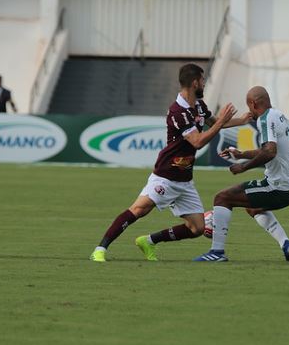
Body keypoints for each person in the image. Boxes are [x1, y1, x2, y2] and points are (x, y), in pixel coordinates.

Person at [89, 63, 249, 262]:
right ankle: (100, 249)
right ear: (194, 83)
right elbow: (198, 142)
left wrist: (242, 120)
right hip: (166, 175)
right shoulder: (177, 112)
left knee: (197, 228)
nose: (204, 84)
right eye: (202, 81)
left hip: (185, 180)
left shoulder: (198, 105)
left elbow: (214, 122)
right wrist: (219, 122)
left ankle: (148, 241)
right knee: (139, 210)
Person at [195, 86, 289, 262]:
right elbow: (267, 149)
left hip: (279, 188)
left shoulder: (265, 119)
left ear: (253, 103)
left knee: (222, 198)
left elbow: (270, 152)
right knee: (253, 207)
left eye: (249, 106)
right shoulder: (278, 115)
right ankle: (287, 245)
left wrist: (243, 167)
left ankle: (217, 252)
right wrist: (241, 154)